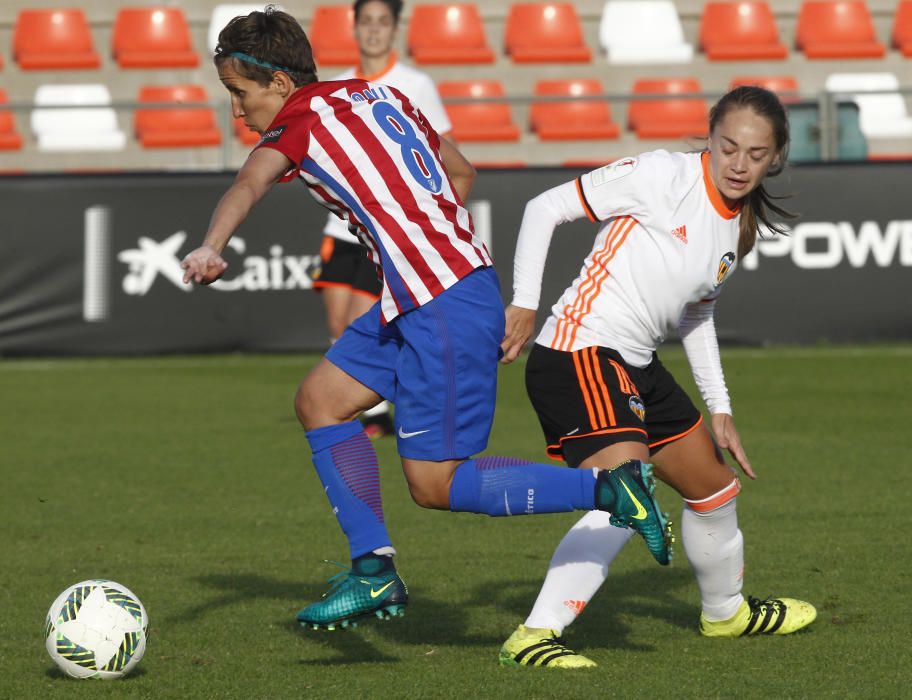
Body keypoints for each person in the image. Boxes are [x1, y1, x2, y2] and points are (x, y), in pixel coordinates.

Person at [180, 7, 671, 633]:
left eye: (237, 94)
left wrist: (212, 244)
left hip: (440, 303)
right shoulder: (381, 94)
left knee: (435, 483)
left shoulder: (298, 122)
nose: (236, 112)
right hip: (429, 293)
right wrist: (423, 233)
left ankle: (612, 489)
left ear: (279, 84)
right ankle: (372, 569)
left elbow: (248, 185)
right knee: (320, 401)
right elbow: (461, 172)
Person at [497, 86, 817, 668]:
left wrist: (719, 406)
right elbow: (544, 207)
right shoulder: (660, 175)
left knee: (715, 493)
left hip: (636, 365)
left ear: (775, 157)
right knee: (627, 497)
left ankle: (726, 614)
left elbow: (697, 310)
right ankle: (533, 637)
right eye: (729, 148)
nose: (740, 164)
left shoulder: (736, 222)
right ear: (712, 137)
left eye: (755, 153)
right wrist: (523, 302)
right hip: (579, 352)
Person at [313, 0, 454, 439]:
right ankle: (364, 409)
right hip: (343, 225)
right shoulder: (336, 85)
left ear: (395, 29)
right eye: (367, 22)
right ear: (355, 27)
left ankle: (375, 414)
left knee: (365, 322)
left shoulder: (416, 84)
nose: (374, 30)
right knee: (337, 324)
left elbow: (442, 150)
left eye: (382, 22)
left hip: (386, 230)